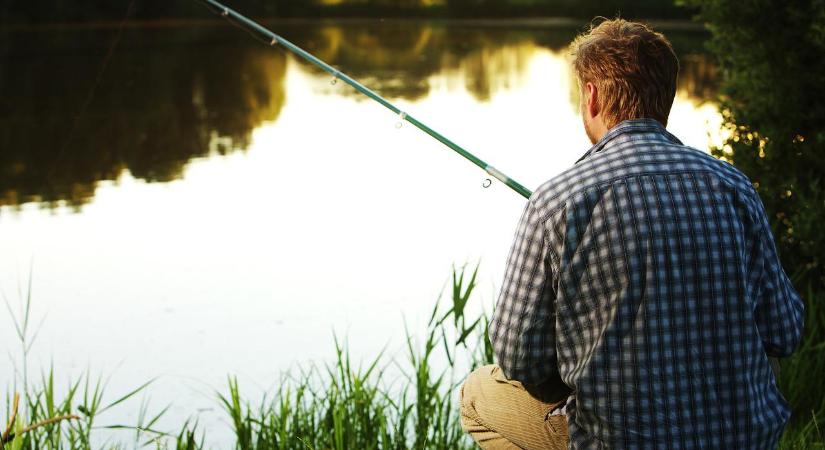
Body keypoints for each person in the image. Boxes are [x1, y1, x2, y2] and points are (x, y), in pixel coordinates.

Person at [459, 18, 805, 449]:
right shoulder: (734, 187)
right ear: (667, 98)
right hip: (743, 440)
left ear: (592, 96)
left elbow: (517, 357)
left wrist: (577, 368)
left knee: (477, 394)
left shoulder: (556, 201)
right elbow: (785, 330)